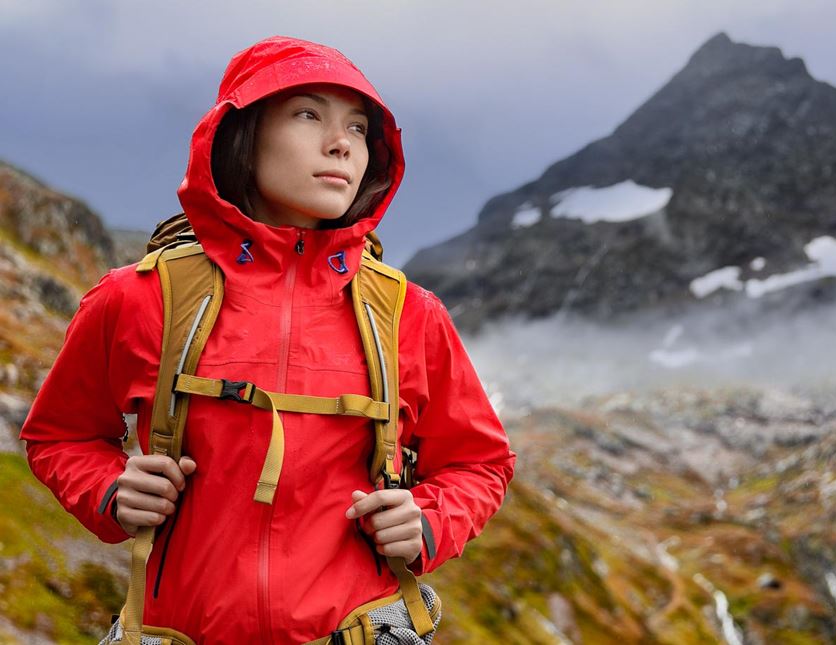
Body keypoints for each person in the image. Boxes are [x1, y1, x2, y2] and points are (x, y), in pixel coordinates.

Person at [20, 35, 515, 643]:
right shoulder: (140, 297)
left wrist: (430, 522)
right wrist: (109, 491)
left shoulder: (408, 313)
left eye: (358, 128)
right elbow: (58, 435)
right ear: (242, 136)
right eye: (308, 114)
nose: (341, 143)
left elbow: (480, 462)